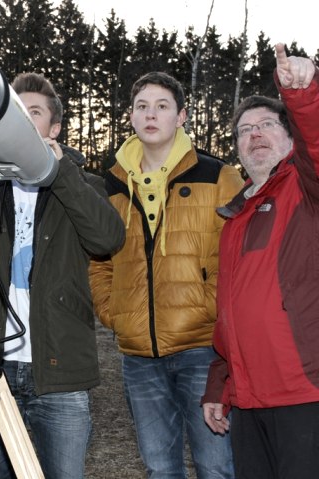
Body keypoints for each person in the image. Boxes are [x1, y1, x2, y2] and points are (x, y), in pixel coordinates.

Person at [0, 72, 125, 479]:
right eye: (16, 112)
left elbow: (107, 239)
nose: (23, 121)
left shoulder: (84, 184)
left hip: (59, 368)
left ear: (55, 127)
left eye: (34, 113)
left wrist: (60, 171)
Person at [89, 71, 243, 478]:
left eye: (162, 106)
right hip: (138, 356)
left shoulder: (219, 176)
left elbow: (238, 259)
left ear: (181, 117)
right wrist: (116, 313)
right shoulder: (112, 185)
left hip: (203, 350)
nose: (150, 114)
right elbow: (98, 260)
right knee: (159, 468)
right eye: (142, 106)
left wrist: (207, 311)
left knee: (216, 466)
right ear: (132, 117)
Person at [202, 45, 319, 479]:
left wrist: (303, 93)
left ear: (291, 137)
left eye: (267, 124)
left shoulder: (306, 190)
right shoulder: (235, 217)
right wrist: (220, 387)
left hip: (305, 393)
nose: (255, 134)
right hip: (249, 403)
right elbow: (230, 316)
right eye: (244, 129)